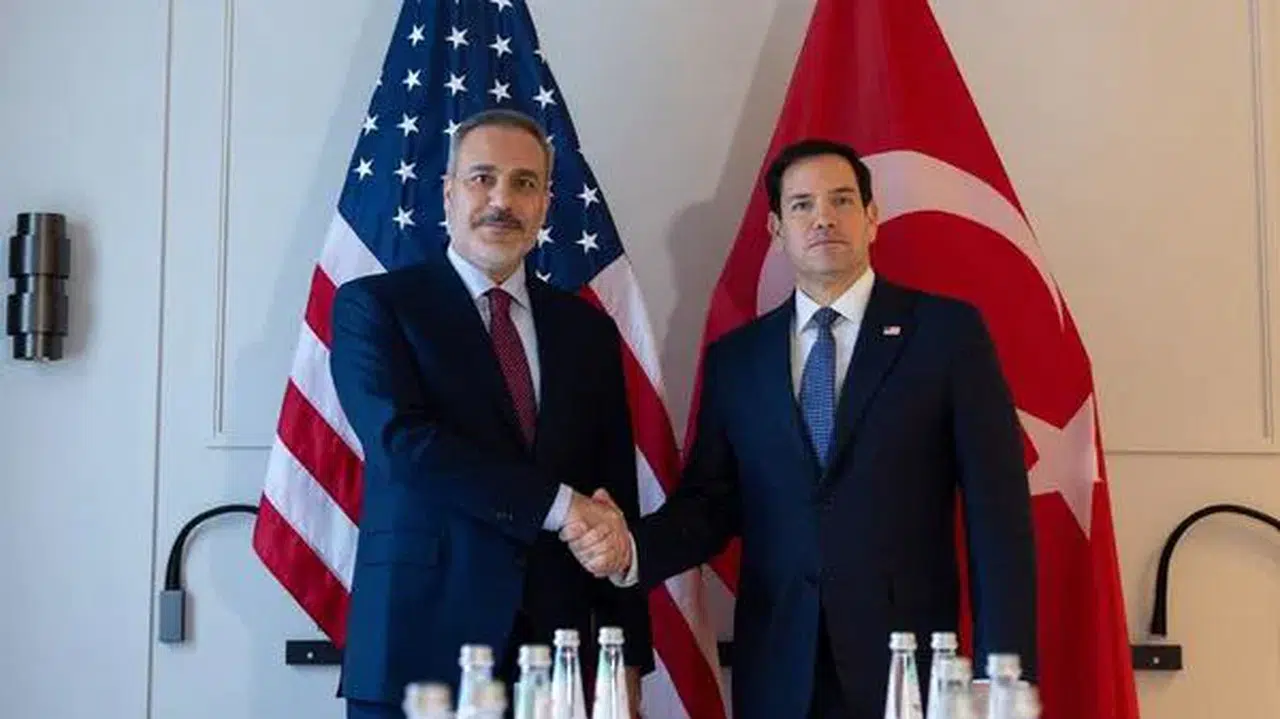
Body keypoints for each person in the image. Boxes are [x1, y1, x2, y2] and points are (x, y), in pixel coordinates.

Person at [563, 138, 1038, 718]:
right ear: (776, 229)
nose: (823, 218)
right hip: (778, 667)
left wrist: (1002, 675)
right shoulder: (738, 359)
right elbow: (710, 506)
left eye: (842, 200)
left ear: (872, 218)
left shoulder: (945, 334)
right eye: (802, 205)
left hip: (906, 667)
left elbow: (998, 515)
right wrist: (632, 548)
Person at [329, 108, 649, 719]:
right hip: (417, 648)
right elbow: (404, 445)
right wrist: (561, 506)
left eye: (524, 183)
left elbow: (614, 497)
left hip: (555, 657)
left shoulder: (587, 332)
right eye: (482, 178)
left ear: (545, 204)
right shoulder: (375, 307)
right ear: (448, 192)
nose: (502, 200)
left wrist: (626, 658)